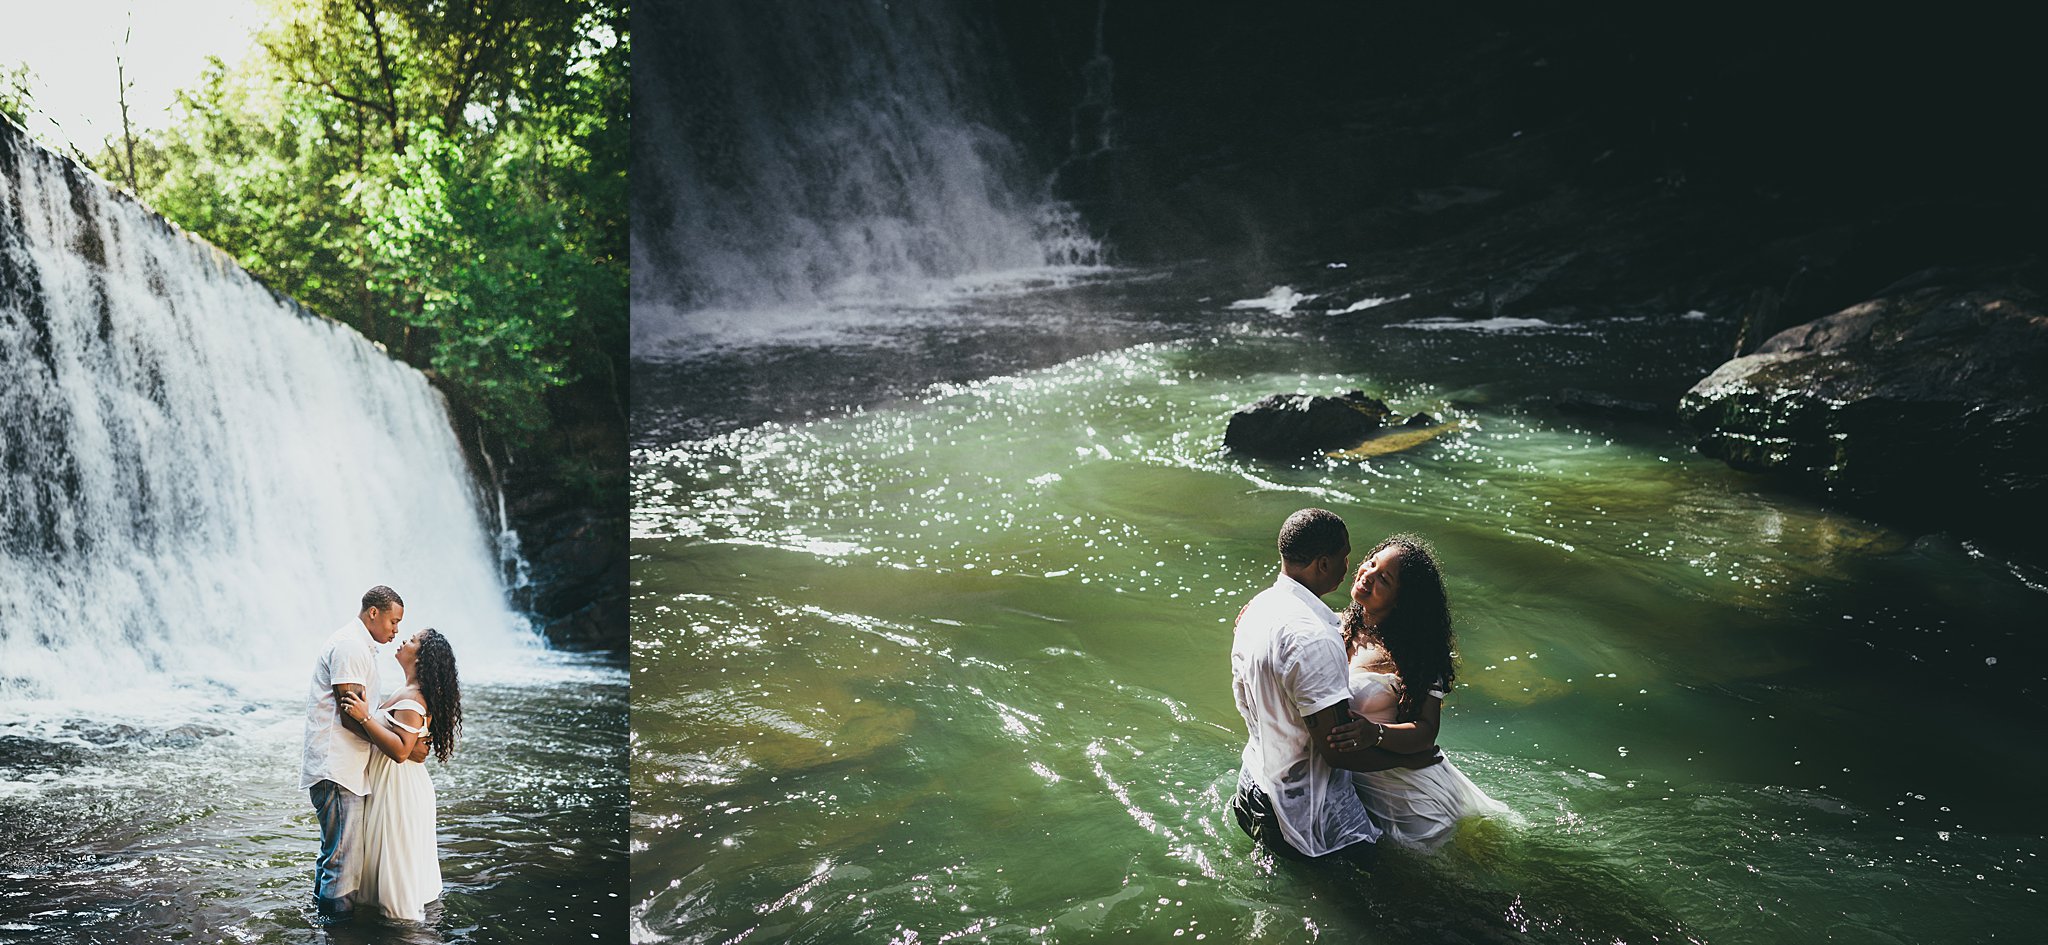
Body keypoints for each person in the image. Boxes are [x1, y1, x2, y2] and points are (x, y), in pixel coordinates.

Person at [1229, 508, 1441, 862]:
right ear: (1323, 565)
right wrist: (1409, 754)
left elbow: (1425, 728)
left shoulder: (1265, 609)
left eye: (1383, 578)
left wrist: (1383, 736)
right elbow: (1337, 751)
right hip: (1310, 805)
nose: (1358, 570)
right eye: (1358, 560)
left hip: (1264, 782)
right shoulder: (1321, 634)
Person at [1327, 534, 1513, 849]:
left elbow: (1426, 732)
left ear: (1402, 600)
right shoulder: (1336, 625)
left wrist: (1375, 733)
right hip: (1366, 791)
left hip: (1417, 802)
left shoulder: (1415, 656)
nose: (1368, 575)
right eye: (1371, 563)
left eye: (1383, 579)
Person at [299, 585, 426, 920]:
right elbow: (350, 715)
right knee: (345, 862)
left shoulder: (359, 646)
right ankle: (337, 931)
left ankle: (320, 923)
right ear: (374, 613)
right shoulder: (351, 647)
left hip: (346, 767)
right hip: (337, 767)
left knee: (336, 855)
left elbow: (361, 715)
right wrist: (401, 748)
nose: (396, 630)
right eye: (393, 621)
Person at [338, 627, 462, 922]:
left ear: (422, 658)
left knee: (395, 859)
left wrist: (364, 716)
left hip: (399, 789)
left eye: (413, 640)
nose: (404, 640)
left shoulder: (412, 698)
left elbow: (401, 751)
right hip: (400, 784)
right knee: (397, 859)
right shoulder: (411, 693)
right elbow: (415, 746)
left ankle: (405, 931)